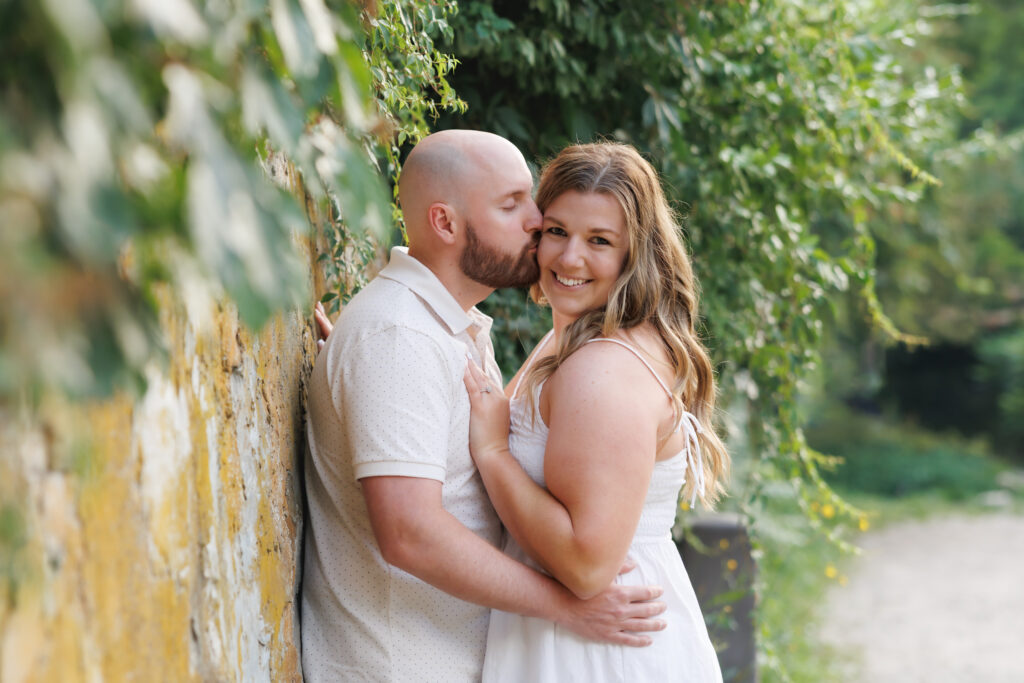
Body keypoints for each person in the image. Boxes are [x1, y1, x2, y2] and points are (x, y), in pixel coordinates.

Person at [301, 130, 667, 683]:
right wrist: (566, 606)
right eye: (511, 203)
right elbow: (409, 532)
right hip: (401, 667)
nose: (536, 220)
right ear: (445, 223)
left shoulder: (439, 328)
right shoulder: (400, 337)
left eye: (530, 197)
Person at [461, 142, 728, 682]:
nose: (569, 258)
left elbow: (587, 567)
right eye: (557, 231)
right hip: (568, 634)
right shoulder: (572, 337)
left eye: (599, 241)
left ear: (635, 255)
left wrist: (493, 454)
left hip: (596, 649)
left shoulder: (603, 368)